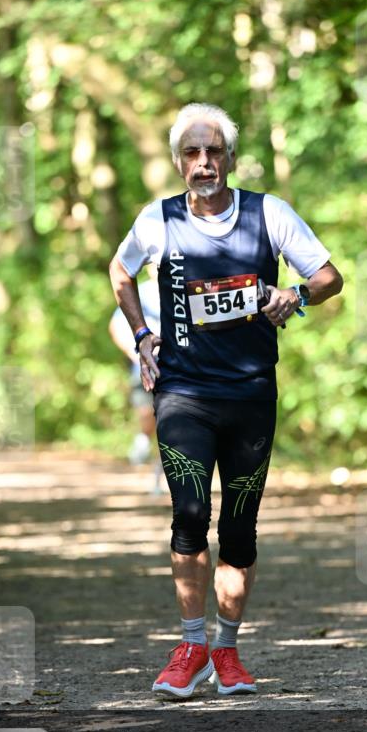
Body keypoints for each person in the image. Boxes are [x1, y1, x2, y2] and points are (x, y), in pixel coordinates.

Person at [109, 103, 343, 699]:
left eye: (214, 151)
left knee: (240, 530)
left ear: (230, 158)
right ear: (177, 161)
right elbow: (120, 270)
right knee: (189, 514)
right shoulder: (157, 220)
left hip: (251, 394)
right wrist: (142, 337)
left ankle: (227, 651)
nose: (204, 162)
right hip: (183, 393)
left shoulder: (270, 213)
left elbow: (328, 277)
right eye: (192, 152)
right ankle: (190, 644)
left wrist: (295, 296)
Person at [108, 269, 162, 481]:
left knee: (172, 422)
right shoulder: (141, 292)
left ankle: (163, 470)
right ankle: (142, 443)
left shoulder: (183, 289)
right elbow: (115, 326)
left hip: (177, 368)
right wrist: (136, 354)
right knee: (147, 415)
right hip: (145, 368)